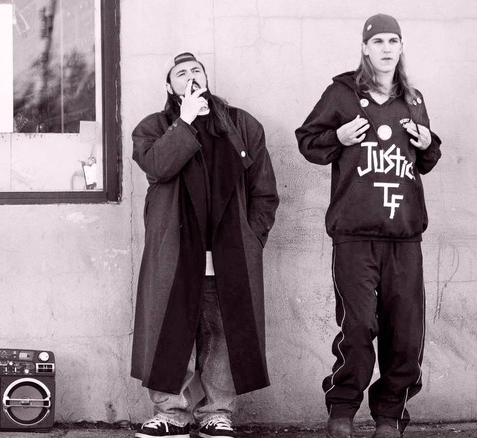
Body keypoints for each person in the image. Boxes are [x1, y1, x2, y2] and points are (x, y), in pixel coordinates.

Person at [295, 14, 442, 438]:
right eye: (377, 40)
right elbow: (308, 141)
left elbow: (427, 159)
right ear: (364, 47)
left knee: (406, 332)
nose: (385, 48)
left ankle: (389, 416)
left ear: (401, 46)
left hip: (404, 237)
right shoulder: (342, 93)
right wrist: (338, 138)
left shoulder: (413, 99)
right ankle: (342, 410)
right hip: (355, 236)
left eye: (393, 40)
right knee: (358, 326)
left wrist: (428, 142)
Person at [130, 52, 279, 438]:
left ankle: (217, 412)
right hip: (176, 252)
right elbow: (158, 167)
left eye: (197, 70)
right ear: (170, 87)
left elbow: (264, 191)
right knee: (170, 332)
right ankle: (172, 414)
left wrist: (253, 237)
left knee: (224, 332)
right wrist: (186, 122)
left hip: (230, 253)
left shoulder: (242, 124)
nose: (191, 76)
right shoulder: (154, 127)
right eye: (181, 73)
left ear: (207, 79)